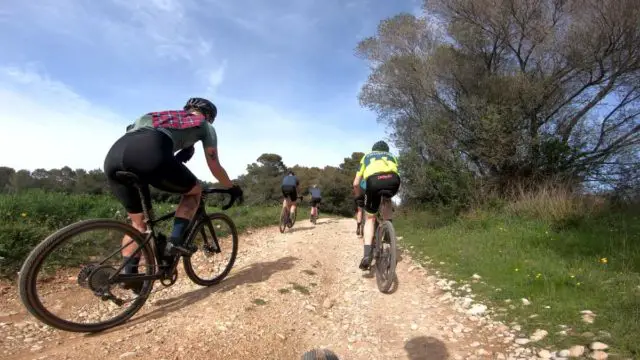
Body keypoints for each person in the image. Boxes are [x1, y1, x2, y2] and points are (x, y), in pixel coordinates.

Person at [104, 97, 243, 292]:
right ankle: (174, 243)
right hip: (149, 152)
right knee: (195, 191)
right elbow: (214, 165)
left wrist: (185, 146)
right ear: (209, 116)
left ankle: (130, 273)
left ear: (187, 109)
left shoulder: (155, 116)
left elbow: (139, 134)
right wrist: (232, 187)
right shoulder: (204, 125)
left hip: (114, 156)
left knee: (138, 224)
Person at [352, 140, 400, 270]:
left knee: (370, 218)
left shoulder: (367, 157)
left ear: (373, 150)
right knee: (387, 199)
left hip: (374, 182)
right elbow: (396, 173)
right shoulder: (392, 157)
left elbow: (356, 183)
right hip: (394, 181)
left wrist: (358, 198)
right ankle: (388, 226)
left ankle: (367, 254)